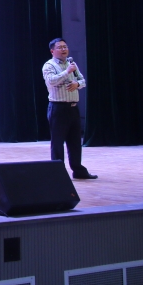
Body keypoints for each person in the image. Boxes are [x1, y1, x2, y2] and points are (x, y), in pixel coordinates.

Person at [42, 38, 98, 180]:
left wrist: (77, 84)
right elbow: (51, 81)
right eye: (60, 47)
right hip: (58, 108)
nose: (64, 49)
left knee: (75, 142)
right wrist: (67, 72)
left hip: (73, 108)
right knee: (58, 142)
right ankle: (58, 173)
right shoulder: (49, 65)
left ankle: (78, 171)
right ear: (52, 51)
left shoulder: (71, 63)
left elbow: (82, 81)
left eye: (65, 46)